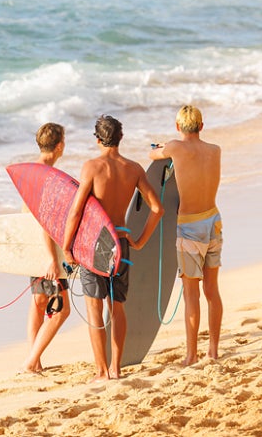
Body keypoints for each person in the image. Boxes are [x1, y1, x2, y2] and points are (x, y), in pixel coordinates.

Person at [63, 115, 163, 381]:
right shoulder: (133, 168)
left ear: (97, 139)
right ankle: (116, 368)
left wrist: (66, 246)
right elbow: (157, 208)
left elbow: (75, 211)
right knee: (117, 308)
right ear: (120, 138)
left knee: (94, 309)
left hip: (94, 243)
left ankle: (101, 371)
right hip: (121, 243)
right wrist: (139, 240)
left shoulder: (91, 167)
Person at [150, 104, 223, 367]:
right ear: (202, 127)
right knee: (212, 290)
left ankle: (192, 355)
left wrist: (159, 147)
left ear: (178, 127)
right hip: (213, 221)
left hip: (189, 226)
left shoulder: (174, 146)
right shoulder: (215, 150)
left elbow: (152, 155)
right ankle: (213, 350)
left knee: (191, 293)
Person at [21, 122, 70, 374]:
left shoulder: (30, 172)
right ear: (59, 145)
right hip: (46, 250)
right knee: (62, 309)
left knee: (38, 302)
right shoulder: (47, 178)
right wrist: (53, 258)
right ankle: (32, 362)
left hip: (33, 247)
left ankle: (35, 362)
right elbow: (44, 222)